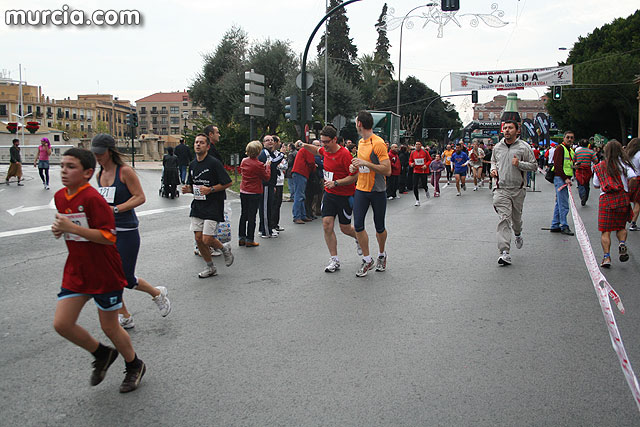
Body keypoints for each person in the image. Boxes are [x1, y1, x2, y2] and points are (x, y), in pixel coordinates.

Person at [52, 147, 145, 393]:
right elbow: (70, 224)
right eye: (62, 165)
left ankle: (134, 364)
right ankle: (101, 353)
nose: (64, 171)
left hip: (104, 272)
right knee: (62, 324)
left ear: (87, 173)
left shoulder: (94, 199)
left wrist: (73, 229)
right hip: (77, 271)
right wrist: (60, 229)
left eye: (71, 167)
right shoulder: (61, 196)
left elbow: (108, 236)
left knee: (110, 327)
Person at [92, 134, 171, 330]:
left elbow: (140, 197)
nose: (97, 157)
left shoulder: (125, 172)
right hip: (107, 231)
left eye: (100, 153)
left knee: (126, 278)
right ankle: (125, 315)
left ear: (110, 151)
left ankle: (156, 294)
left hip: (127, 230)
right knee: (109, 276)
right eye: (95, 153)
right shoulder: (99, 175)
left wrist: (117, 209)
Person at [300, 126, 361, 272]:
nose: (324, 145)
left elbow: (355, 176)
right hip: (329, 194)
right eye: (322, 142)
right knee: (327, 225)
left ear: (335, 140)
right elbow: (316, 150)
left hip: (344, 195)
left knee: (345, 228)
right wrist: (303, 145)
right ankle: (334, 260)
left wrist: (336, 183)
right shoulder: (324, 150)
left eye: (326, 142)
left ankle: (359, 238)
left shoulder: (345, 155)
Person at [182, 133, 234, 278]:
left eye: (201, 143)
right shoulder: (192, 165)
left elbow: (228, 183)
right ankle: (210, 267)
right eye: (196, 142)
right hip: (198, 206)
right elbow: (193, 186)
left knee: (206, 239)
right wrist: (188, 189)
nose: (198, 145)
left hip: (213, 205)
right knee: (198, 239)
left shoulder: (213, 163)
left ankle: (224, 249)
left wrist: (210, 189)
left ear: (207, 146)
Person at [490, 121, 538, 266]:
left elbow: (534, 166)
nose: (507, 130)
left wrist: (520, 164)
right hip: (501, 189)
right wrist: (493, 169)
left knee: (516, 220)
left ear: (517, 131)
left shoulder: (524, 147)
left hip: (518, 189)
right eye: (505, 128)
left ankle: (517, 233)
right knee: (504, 219)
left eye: (510, 128)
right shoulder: (497, 147)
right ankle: (504, 252)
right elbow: (493, 161)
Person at [349, 111, 391, 277]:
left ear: (359, 123)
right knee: (358, 225)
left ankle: (382, 254)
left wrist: (365, 163)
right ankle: (367, 260)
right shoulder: (360, 142)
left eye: (355, 121)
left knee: (379, 226)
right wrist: (355, 167)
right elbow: (362, 166)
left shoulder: (378, 143)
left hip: (377, 190)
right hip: (361, 189)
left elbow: (387, 170)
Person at [592, 140, 637, 268]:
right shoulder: (624, 165)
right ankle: (622, 243)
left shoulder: (601, 166)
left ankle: (606, 257)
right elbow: (634, 178)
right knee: (621, 226)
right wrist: (629, 189)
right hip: (622, 197)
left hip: (606, 199)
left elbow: (596, 185)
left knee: (605, 230)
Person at [239, 140, 271, 248]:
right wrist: (268, 167)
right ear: (258, 152)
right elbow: (266, 177)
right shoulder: (259, 164)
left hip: (244, 190)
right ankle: (250, 239)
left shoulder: (244, 161)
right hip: (254, 191)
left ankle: (241, 237)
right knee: (252, 215)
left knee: (244, 214)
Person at [257, 135, 284, 238]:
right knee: (265, 208)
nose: (270, 142)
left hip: (271, 184)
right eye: (267, 140)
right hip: (265, 184)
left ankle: (263, 228)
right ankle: (266, 231)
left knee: (268, 207)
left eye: (271, 140)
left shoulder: (271, 153)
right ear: (263, 143)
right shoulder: (264, 153)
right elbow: (272, 164)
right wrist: (282, 154)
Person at [549, 131, 576, 236]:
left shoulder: (569, 150)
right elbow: (558, 166)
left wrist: (574, 167)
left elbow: (567, 164)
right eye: (568, 137)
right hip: (561, 178)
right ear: (564, 138)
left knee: (559, 202)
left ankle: (555, 224)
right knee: (563, 204)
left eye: (572, 138)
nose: (570, 139)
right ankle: (564, 225)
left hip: (563, 178)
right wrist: (565, 178)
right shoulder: (560, 148)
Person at [290, 139, 316, 224]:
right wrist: (314, 168)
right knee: (299, 195)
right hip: (301, 173)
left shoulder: (304, 150)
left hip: (300, 173)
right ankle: (297, 216)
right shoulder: (308, 150)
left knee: (301, 194)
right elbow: (311, 162)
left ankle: (302, 215)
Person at [574, 138, 598, 206]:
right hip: (587, 170)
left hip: (579, 169)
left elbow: (574, 160)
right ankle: (585, 196)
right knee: (586, 184)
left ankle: (582, 196)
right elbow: (596, 160)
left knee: (580, 183)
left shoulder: (577, 152)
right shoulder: (591, 152)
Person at [409, 141, 432, 206]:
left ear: (421, 145)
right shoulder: (413, 152)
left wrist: (426, 165)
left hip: (423, 171)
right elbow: (410, 160)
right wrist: (411, 164)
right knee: (415, 185)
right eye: (416, 144)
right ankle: (417, 200)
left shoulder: (425, 152)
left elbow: (429, 160)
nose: (417, 146)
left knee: (424, 184)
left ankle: (426, 190)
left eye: (419, 144)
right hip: (416, 171)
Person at [272, 136, 287, 232]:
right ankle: (271, 225)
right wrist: (278, 164)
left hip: (280, 181)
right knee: (273, 204)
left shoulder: (279, 154)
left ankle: (276, 224)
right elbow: (273, 165)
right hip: (274, 182)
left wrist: (279, 165)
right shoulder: (271, 154)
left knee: (278, 203)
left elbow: (284, 165)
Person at [626, 138, 640, 231]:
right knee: (638, 202)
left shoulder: (627, 154)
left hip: (628, 178)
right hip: (638, 179)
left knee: (627, 200)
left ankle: (623, 219)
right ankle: (633, 223)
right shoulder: (639, 154)